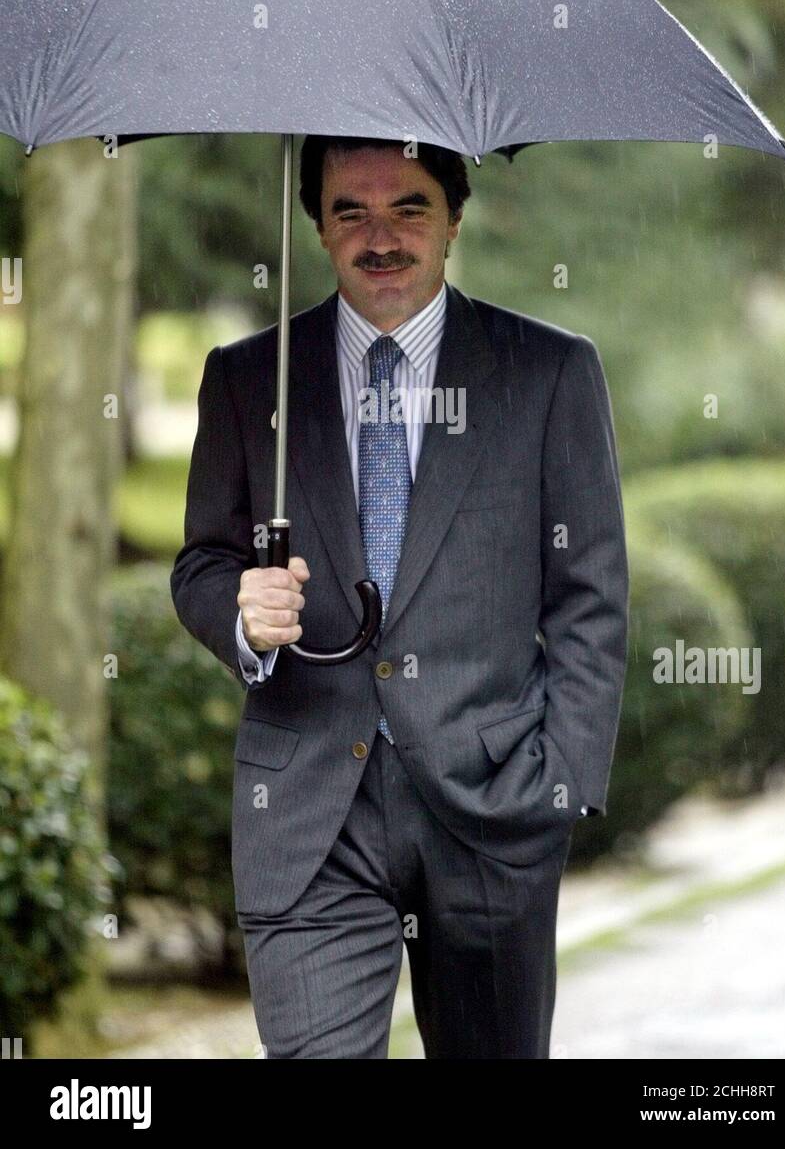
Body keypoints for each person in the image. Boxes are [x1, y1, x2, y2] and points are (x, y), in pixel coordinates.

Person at [170, 135, 629, 1059]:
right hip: (306, 811)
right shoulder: (250, 377)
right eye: (350, 211)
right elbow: (202, 563)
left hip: (491, 807)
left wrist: (561, 784)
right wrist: (238, 611)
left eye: (408, 207)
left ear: (453, 219)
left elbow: (588, 594)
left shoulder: (548, 373)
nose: (380, 236)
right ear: (318, 226)